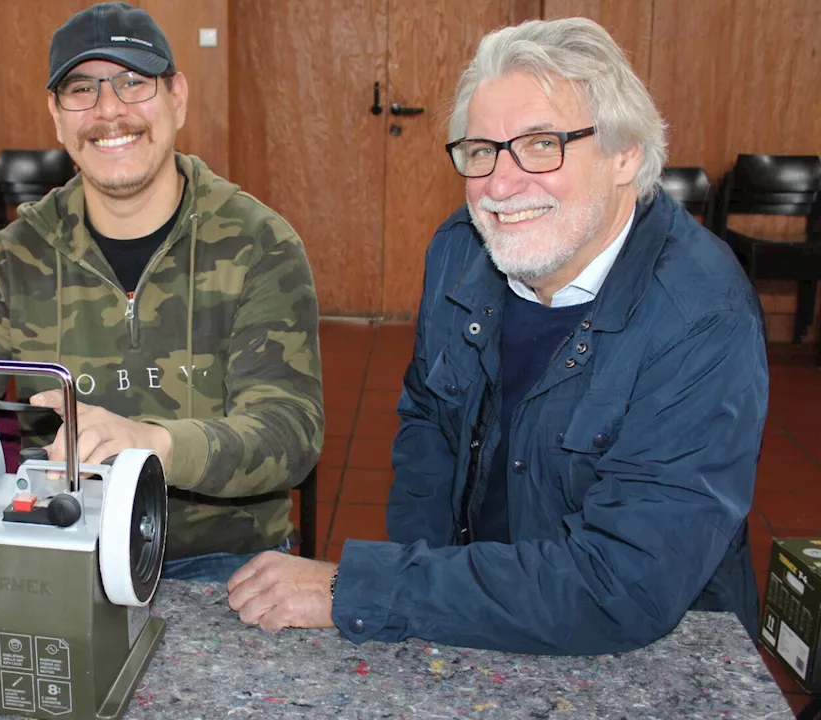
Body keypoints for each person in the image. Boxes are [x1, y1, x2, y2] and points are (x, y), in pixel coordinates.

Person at [227, 17, 767, 655]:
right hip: (472, 609)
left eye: (542, 144)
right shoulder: (462, 249)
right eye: (480, 150)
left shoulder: (702, 314)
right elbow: (429, 423)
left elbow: (624, 584)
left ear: (625, 155)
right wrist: (417, 599)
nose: (500, 185)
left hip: (653, 651)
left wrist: (374, 589)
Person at [0, 2, 323, 584]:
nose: (109, 110)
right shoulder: (15, 259)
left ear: (177, 97)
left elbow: (289, 433)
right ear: (57, 118)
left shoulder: (259, 244)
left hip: (223, 562)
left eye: (133, 82)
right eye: (82, 89)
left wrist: (152, 442)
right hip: (65, 551)